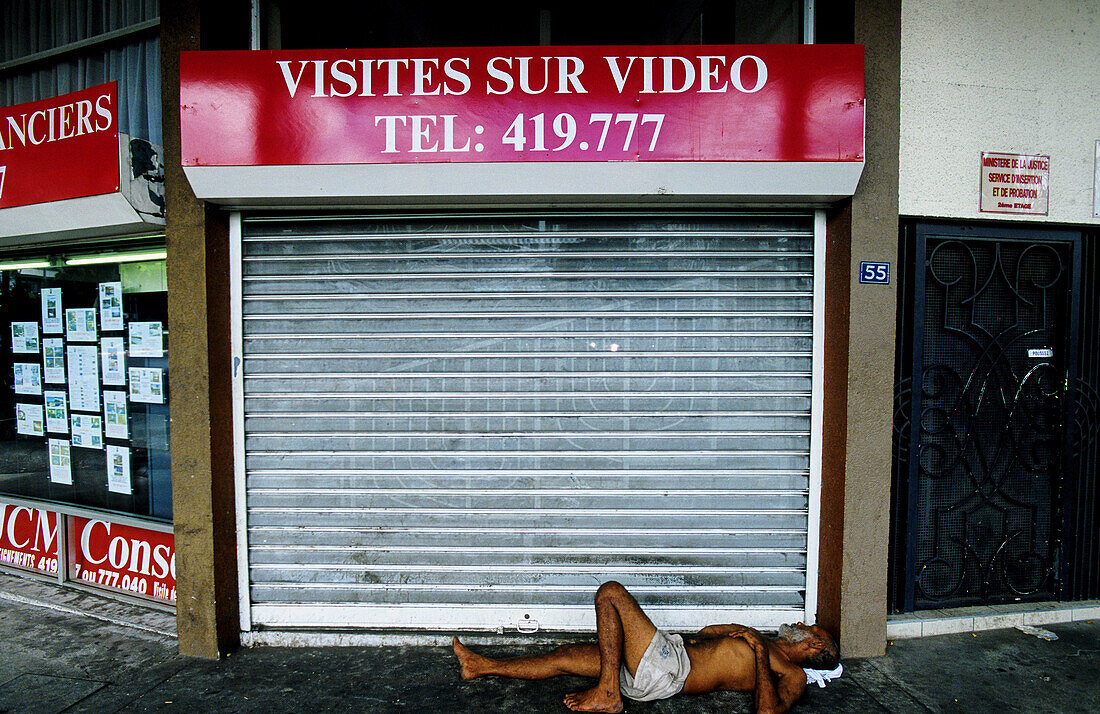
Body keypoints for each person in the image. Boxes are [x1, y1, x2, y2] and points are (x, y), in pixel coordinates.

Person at [453, 580, 839, 713]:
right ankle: (481, 666)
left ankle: (609, 693)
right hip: (670, 652)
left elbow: (769, 711)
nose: (799, 625)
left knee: (610, 594)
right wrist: (743, 631)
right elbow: (707, 632)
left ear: (813, 645)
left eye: (807, 629)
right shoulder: (765, 642)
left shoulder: (791, 673)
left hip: (670, 671)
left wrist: (756, 647)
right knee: (565, 656)